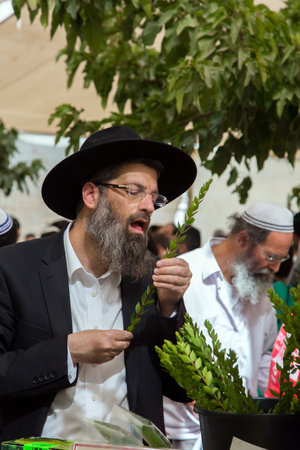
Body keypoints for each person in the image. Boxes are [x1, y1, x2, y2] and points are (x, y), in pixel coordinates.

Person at [0, 125, 197, 442]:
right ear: (91, 194)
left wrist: (169, 307)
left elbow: (182, 386)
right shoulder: (13, 269)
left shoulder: (151, 278)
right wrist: (68, 351)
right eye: (135, 191)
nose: (149, 206)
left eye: (154, 197)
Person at [163, 202, 294, 450]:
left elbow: (265, 358)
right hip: (181, 434)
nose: (276, 268)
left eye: (282, 258)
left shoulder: (261, 293)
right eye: (271, 256)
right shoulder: (183, 273)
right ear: (244, 239)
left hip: (241, 435)